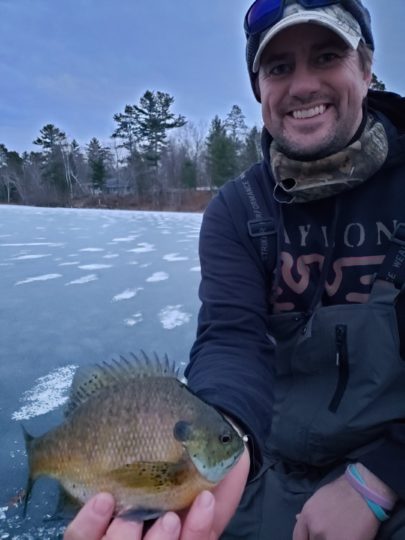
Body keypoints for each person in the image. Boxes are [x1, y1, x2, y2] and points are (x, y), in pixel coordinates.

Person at [65, 0, 405, 538]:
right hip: (267, 459)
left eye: (326, 56)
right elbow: (231, 337)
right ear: (258, 88)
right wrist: (229, 436)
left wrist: (378, 479)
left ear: (366, 69)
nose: (302, 85)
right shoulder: (238, 211)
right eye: (279, 67)